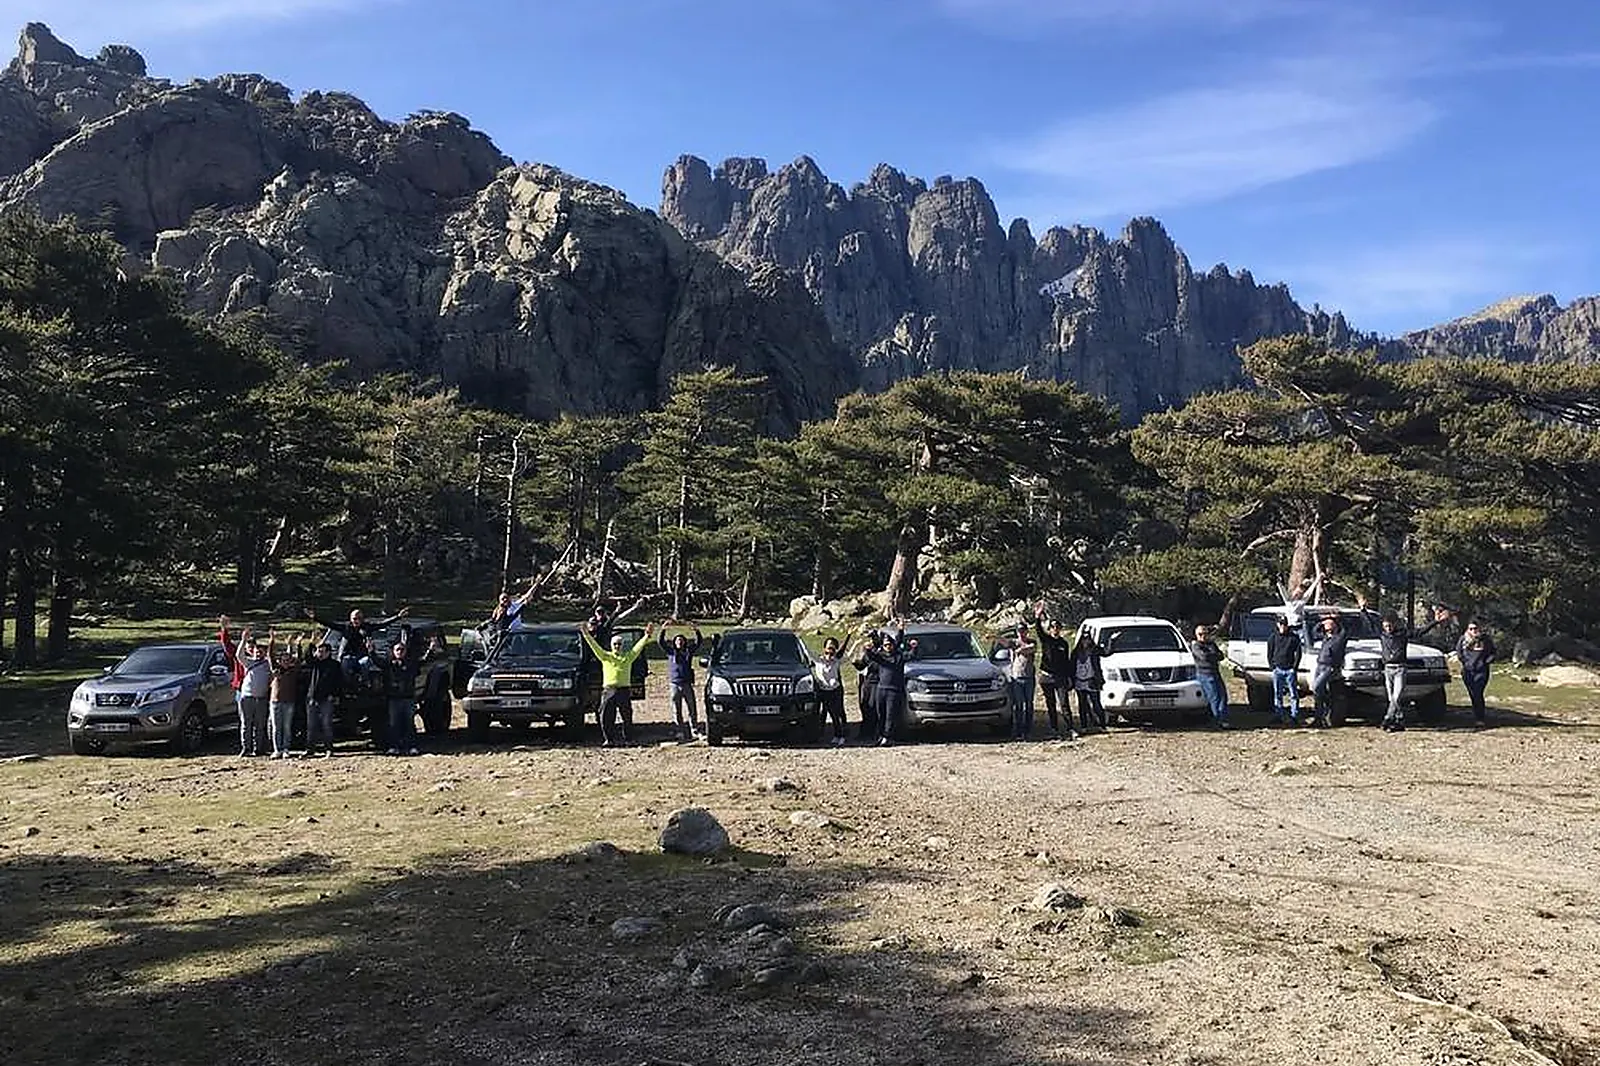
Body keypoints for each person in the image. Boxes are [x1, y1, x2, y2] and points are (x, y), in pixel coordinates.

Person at [581, 622, 654, 747]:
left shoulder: (628, 657)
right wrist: (586, 635)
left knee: (627, 716)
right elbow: (594, 646)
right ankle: (609, 739)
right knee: (606, 716)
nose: (617, 646)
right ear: (611, 645)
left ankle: (628, 739)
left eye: (619, 644)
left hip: (623, 690)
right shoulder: (605, 656)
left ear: (622, 646)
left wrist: (647, 636)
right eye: (615, 644)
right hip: (608, 690)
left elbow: (637, 647)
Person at [305, 603, 410, 678]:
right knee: (346, 663)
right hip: (347, 655)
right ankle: (346, 684)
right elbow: (330, 624)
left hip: (362, 656)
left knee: (365, 662)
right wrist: (315, 617)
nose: (357, 621)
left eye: (359, 618)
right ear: (351, 619)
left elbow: (383, 624)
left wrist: (398, 617)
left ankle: (363, 682)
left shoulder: (367, 627)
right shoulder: (346, 627)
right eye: (355, 618)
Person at [658, 620, 704, 741]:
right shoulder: (671, 652)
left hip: (687, 684)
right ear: (674, 642)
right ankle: (679, 731)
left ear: (684, 642)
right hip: (674, 684)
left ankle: (694, 729)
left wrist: (696, 630)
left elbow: (699, 642)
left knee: (692, 708)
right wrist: (663, 630)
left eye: (681, 640)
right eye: (677, 640)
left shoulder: (688, 652)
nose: (679, 642)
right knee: (676, 709)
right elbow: (661, 643)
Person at [864, 623, 907, 747]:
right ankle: (881, 735)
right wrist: (867, 649)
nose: (888, 647)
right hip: (881, 689)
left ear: (893, 645)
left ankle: (888, 737)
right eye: (886, 645)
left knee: (890, 715)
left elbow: (909, 654)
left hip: (894, 690)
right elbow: (871, 656)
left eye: (890, 645)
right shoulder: (881, 657)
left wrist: (901, 631)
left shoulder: (899, 657)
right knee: (880, 714)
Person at [1034, 604, 1073, 739]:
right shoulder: (1046, 640)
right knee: (1051, 704)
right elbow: (1038, 630)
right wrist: (1038, 616)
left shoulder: (1064, 643)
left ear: (1060, 629)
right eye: (1053, 627)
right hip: (1046, 677)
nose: (1055, 630)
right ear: (1050, 629)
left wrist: (1069, 678)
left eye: (1057, 628)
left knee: (1064, 703)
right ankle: (1054, 728)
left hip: (1060, 677)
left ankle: (1070, 728)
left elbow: (1067, 663)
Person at [378, 638, 420, 755]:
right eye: (397, 650)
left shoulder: (411, 664)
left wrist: (430, 651)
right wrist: (371, 651)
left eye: (402, 650)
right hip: (394, 699)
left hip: (408, 699)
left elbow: (423, 661)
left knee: (409, 724)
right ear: (393, 651)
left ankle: (412, 747)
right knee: (393, 724)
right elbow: (378, 662)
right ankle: (393, 746)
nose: (400, 652)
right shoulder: (389, 665)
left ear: (406, 651)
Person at [302, 636, 341, 757]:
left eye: (323, 651)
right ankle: (310, 749)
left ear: (329, 652)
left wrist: (335, 696)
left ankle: (329, 748)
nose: (320, 653)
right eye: (319, 651)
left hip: (327, 699)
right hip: (312, 698)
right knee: (311, 725)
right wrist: (311, 643)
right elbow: (306, 657)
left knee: (327, 724)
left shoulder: (335, 665)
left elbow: (338, 682)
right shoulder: (315, 663)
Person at [813, 635, 854, 746]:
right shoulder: (818, 660)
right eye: (827, 651)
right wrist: (799, 639)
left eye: (831, 651)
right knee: (821, 712)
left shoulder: (836, 661)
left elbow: (847, 656)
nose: (829, 655)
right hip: (822, 690)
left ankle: (840, 735)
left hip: (834, 690)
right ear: (823, 649)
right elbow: (807, 652)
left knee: (836, 713)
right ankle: (819, 735)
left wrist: (853, 642)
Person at [235, 636, 272, 757]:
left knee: (260, 725)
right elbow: (238, 655)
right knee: (246, 724)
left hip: (261, 698)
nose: (258, 653)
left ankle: (259, 748)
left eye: (261, 651)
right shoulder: (249, 662)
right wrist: (244, 640)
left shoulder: (268, 664)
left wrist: (272, 640)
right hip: (247, 697)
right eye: (257, 651)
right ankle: (246, 748)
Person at [1457, 620, 1497, 727]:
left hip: (1481, 671)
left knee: (1478, 693)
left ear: (1479, 628)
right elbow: (1459, 653)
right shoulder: (1463, 639)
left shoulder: (1486, 640)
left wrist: (1486, 662)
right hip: (1468, 671)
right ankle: (1476, 715)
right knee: (1472, 694)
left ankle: (1480, 718)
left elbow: (1493, 653)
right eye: (1471, 629)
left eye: (1475, 628)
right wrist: (1466, 663)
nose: (1473, 631)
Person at [1310, 614, 1348, 728]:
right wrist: (1321, 621)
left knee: (1316, 688)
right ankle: (1318, 718)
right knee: (1318, 694)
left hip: (1329, 667)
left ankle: (1327, 707)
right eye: (1326, 624)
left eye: (1329, 623)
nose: (1327, 625)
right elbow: (1314, 632)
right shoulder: (1326, 637)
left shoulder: (1340, 637)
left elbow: (1345, 629)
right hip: (1319, 666)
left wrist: (1336, 618)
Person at [1266, 616, 1303, 725]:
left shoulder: (1293, 637)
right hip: (1278, 669)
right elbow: (1269, 652)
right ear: (1278, 625)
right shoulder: (1273, 637)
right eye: (1281, 624)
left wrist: (1294, 667)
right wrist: (1272, 666)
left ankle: (1294, 715)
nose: (1283, 626)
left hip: (1290, 670)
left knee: (1293, 694)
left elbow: (1298, 653)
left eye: (1285, 624)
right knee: (1278, 693)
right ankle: (1279, 714)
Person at [1192, 624, 1229, 729]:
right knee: (1214, 698)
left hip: (1216, 673)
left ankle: (1223, 720)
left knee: (1223, 696)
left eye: (1205, 633)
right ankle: (1216, 721)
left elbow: (1221, 656)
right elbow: (1204, 657)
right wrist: (1213, 655)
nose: (1203, 636)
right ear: (1196, 635)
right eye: (1200, 634)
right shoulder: (1196, 645)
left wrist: (1212, 655)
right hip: (1205, 675)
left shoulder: (1211, 644)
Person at [1069, 630, 1106, 733]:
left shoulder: (1094, 651)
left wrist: (1112, 640)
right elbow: (1071, 666)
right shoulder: (1075, 652)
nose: (1086, 641)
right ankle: (1084, 726)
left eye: (1088, 638)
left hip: (1092, 681)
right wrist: (1071, 680)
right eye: (1084, 638)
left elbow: (1105, 652)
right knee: (1082, 705)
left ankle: (1102, 725)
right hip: (1079, 681)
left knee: (1096, 704)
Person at [1007, 623, 1037, 740]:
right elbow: (1005, 642)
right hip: (1017, 677)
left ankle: (1028, 729)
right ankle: (1019, 731)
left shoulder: (1032, 642)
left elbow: (1032, 648)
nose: (1021, 633)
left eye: (1023, 630)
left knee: (1029, 704)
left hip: (1029, 677)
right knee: (1018, 705)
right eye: (1019, 631)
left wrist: (1020, 649)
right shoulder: (1013, 643)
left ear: (1026, 631)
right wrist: (995, 638)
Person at [218, 616, 251, 718]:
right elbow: (227, 644)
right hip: (242, 690)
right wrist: (224, 629)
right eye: (248, 645)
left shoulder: (259, 657)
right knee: (244, 720)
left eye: (252, 646)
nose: (250, 647)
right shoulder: (239, 655)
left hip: (257, 692)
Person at [853, 633, 879, 741]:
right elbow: (862, 665)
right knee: (865, 706)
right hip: (866, 682)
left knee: (873, 707)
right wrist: (855, 662)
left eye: (873, 641)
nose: (871, 643)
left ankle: (874, 732)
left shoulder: (880, 654)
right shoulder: (867, 654)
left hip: (876, 682)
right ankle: (865, 732)